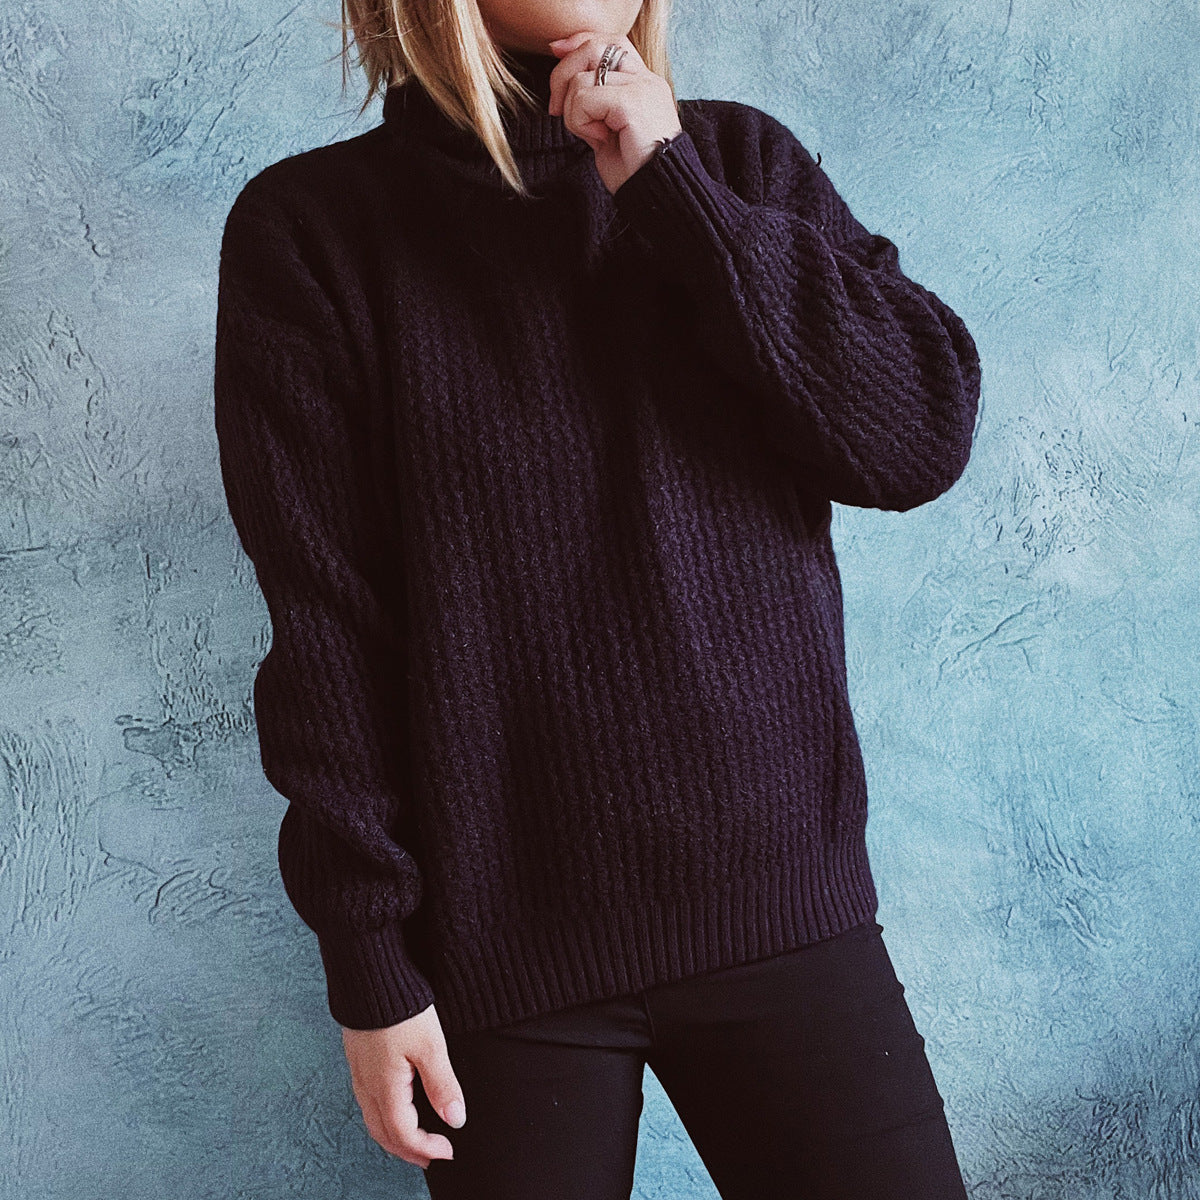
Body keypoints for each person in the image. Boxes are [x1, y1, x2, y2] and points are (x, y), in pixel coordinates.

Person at [212, 0, 982, 1195]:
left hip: (785, 905)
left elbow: (916, 439)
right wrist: (369, 963)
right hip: (498, 961)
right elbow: (327, 632)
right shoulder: (311, 230)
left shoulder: (738, 164)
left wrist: (677, 193)